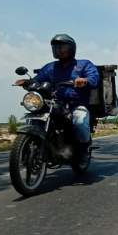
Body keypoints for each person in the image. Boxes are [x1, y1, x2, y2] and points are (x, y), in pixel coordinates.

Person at [15, 33, 98, 164]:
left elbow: (94, 78)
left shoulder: (84, 64)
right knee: (35, 118)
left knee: (80, 121)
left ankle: (84, 148)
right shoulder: (50, 67)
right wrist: (27, 82)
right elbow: (37, 80)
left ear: (71, 48)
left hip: (76, 104)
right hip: (53, 104)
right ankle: (34, 148)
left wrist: (84, 80)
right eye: (56, 47)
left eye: (62, 47)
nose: (59, 50)